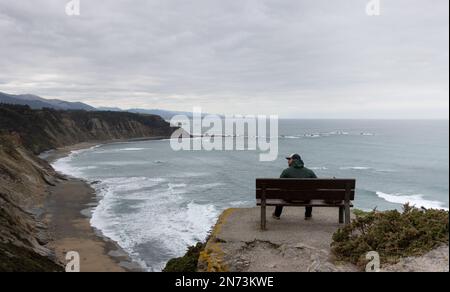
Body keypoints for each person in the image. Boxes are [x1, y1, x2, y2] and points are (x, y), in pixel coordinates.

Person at [272, 153, 317, 220]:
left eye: (289, 159)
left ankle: (277, 214)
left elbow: (279, 185)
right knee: (308, 193)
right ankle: (308, 215)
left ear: (293, 160)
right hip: (305, 199)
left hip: (289, 198)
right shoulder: (310, 172)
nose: (288, 161)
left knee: (282, 193)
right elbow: (316, 184)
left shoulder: (286, 172)